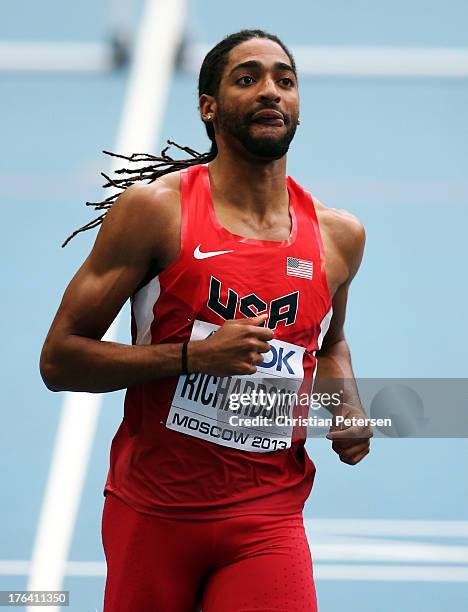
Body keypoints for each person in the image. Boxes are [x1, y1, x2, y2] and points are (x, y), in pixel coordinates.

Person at [40, 29, 372, 612]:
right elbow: (60, 359)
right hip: (154, 512)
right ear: (208, 107)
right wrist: (193, 357)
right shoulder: (155, 214)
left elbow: (330, 344)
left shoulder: (339, 236)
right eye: (248, 78)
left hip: (267, 514)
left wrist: (344, 403)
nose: (271, 91)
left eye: (284, 80)